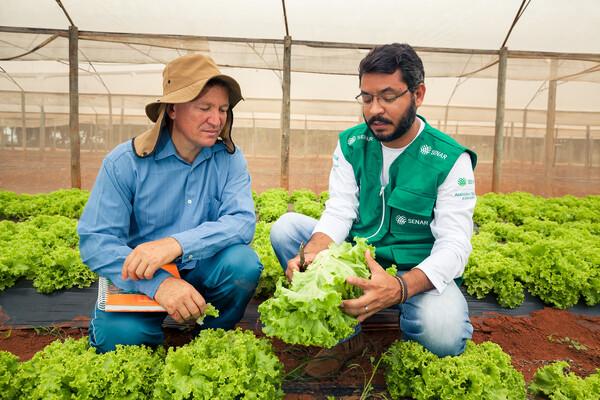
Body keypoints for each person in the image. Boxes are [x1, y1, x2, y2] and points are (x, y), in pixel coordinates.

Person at [270, 43, 477, 377]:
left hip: (417, 270)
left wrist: (401, 288)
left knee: (443, 335)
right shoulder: (352, 143)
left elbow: (454, 246)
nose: (375, 110)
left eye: (388, 97)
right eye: (367, 98)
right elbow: (340, 210)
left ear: (418, 94)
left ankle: (404, 330)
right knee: (287, 229)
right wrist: (310, 255)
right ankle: (344, 335)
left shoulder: (450, 159)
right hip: (360, 258)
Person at [77, 53, 262, 353]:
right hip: (141, 278)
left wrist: (175, 244)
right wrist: (160, 284)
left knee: (242, 265)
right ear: (173, 109)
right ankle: (147, 337)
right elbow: (96, 241)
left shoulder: (229, 159)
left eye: (222, 109)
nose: (216, 120)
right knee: (121, 340)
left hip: (200, 267)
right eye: (204, 108)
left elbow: (241, 222)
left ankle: (209, 342)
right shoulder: (126, 163)